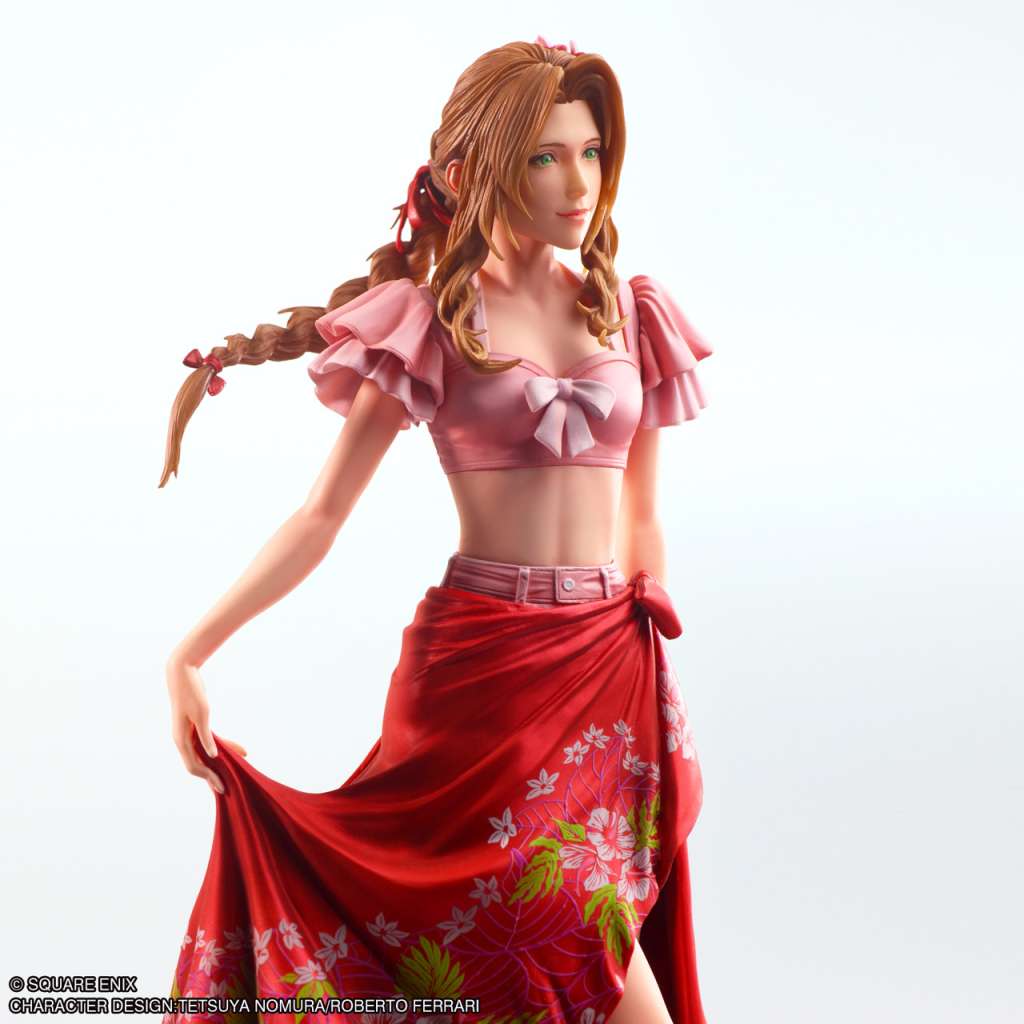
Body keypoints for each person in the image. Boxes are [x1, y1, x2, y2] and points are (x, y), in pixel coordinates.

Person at [159, 37, 713, 1024]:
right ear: (467, 169)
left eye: (590, 152)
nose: (578, 182)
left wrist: (652, 646)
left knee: (571, 942)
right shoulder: (435, 319)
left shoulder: (631, 313)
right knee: (542, 929)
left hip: (610, 670)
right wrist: (190, 652)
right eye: (545, 156)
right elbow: (322, 514)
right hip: (479, 679)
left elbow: (642, 513)